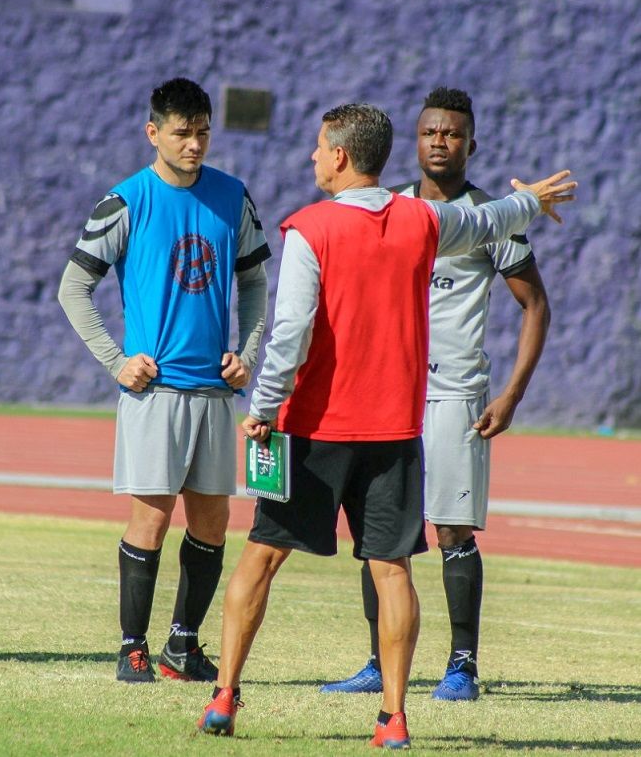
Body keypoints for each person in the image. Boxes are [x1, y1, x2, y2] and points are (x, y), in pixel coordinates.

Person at [195, 103, 576, 747]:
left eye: (319, 148)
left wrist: (262, 408)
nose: (312, 157)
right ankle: (393, 719)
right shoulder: (423, 220)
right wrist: (533, 201)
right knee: (392, 570)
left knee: (261, 559)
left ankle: (226, 696)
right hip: (396, 434)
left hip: (317, 428)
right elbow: (484, 220)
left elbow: (289, 333)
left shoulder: (309, 229)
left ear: (341, 156)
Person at [320, 86, 551, 703]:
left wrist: (511, 395)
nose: (440, 142)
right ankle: (376, 662)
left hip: (455, 395)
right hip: (387, 393)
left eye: (451, 134)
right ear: (414, 143)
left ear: (471, 144)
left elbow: (535, 306)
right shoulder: (390, 209)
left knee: (451, 529)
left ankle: (462, 666)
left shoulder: (486, 216)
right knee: (379, 534)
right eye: (430, 133)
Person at [58, 77, 270, 683]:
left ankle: (183, 644)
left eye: (203, 132)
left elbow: (255, 281)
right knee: (150, 519)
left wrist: (247, 352)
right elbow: (73, 288)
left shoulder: (233, 196)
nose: (195, 144)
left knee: (210, 522)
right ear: (154, 132)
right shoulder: (125, 200)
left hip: (215, 391)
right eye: (182, 133)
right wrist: (115, 358)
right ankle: (132, 647)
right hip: (154, 393)